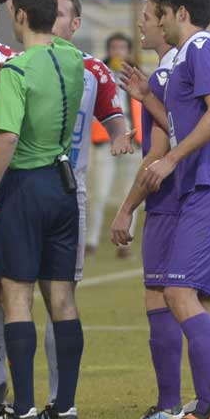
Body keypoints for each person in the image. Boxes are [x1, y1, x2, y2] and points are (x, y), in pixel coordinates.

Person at [128, 0, 210, 419]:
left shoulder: (203, 47)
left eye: (159, 14)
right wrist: (150, 101)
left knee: (178, 292)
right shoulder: (183, 61)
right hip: (203, 187)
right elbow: (183, 121)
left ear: (179, 13)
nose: (154, 21)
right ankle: (206, 404)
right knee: (191, 295)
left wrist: (173, 159)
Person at [0, 0, 86, 419]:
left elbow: (8, 137)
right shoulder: (76, 60)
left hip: (24, 185)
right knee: (62, 295)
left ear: (19, 16)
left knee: (17, 296)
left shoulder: (16, 70)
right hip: (64, 186)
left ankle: (20, 408)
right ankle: (65, 408)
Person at [110, 0, 188, 419]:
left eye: (146, 18)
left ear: (167, 22)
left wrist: (126, 209)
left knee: (159, 295)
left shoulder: (166, 75)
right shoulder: (183, 68)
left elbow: (159, 154)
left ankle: (169, 404)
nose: (141, 25)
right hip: (195, 197)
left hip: (169, 200)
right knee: (196, 300)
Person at [84, 32, 139, 257]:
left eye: (122, 47)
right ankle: (91, 241)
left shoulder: (136, 74)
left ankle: (125, 242)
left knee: (132, 193)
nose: (118, 52)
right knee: (99, 193)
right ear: (108, 50)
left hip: (133, 138)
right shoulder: (98, 74)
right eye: (114, 47)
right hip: (105, 141)